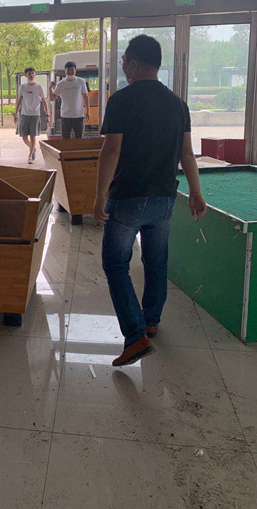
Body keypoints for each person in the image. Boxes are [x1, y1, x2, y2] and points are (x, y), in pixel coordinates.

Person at [93, 35, 207, 367]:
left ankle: (135, 336)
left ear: (133, 63)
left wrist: (99, 195)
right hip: (164, 198)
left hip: (128, 197)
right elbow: (187, 153)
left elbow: (111, 151)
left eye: (123, 62)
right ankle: (151, 320)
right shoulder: (178, 104)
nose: (123, 67)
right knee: (156, 261)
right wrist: (196, 192)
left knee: (116, 263)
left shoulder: (121, 100)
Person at [14, 67, 50, 164]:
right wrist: (16, 113)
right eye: (29, 73)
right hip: (24, 114)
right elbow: (20, 100)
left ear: (35, 75)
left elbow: (44, 102)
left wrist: (47, 115)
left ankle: (30, 156)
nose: (31, 75)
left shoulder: (39, 87)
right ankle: (33, 148)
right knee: (24, 136)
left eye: (33, 73)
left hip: (35, 115)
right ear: (26, 75)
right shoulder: (23, 87)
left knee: (33, 136)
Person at [49, 61, 90, 139]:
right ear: (65, 70)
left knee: (79, 139)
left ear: (75, 70)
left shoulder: (80, 81)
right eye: (68, 69)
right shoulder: (61, 83)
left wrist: (88, 110)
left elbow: (85, 96)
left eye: (72, 69)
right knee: (65, 139)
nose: (70, 71)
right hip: (65, 116)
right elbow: (52, 98)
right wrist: (50, 88)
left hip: (78, 115)